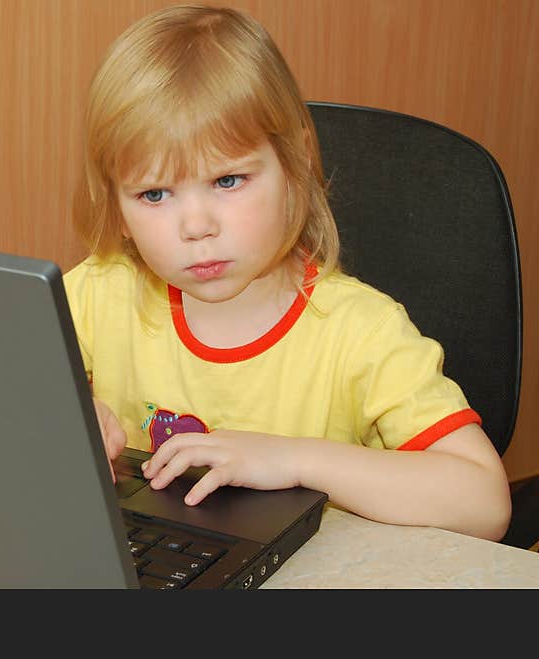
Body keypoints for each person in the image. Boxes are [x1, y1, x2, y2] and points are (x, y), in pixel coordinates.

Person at [62, 4, 511, 541]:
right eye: (154, 194)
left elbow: (484, 502)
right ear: (117, 206)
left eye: (228, 180)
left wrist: (294, 460)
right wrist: (57, 418)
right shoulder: (98, 291)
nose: (196, 226)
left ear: (294, 167)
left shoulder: (360, 330)